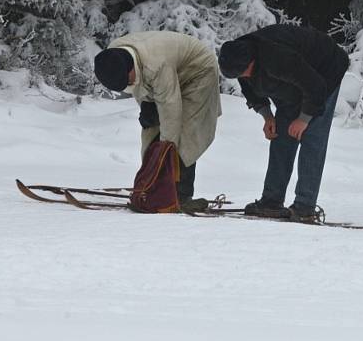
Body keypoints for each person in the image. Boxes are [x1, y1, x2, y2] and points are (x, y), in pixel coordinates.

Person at [218, 24, 349, 221]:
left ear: (252, 62)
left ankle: (305, 207)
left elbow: (315, 86)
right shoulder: (238, 56)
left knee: (312, 138)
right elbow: (249, 88)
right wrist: (267, 116)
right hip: (294, 85)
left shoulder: (277, 58)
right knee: (282, 135)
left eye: (244, 72)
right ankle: (271, 201)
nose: (243, 77)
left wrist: (304, 119)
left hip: (324, 71)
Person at [93, 31, 222, 210]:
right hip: (168, 73)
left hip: (197, 72)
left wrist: (165, 151)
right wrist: (147, 108)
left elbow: (171, 111)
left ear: (130, 69)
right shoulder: (114, 56)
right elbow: (140, 87)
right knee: (151, 127)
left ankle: (180, 196)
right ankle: (154, 186)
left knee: (185, 134)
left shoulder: (157, 65)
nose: (128, 87)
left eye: (127, 82)